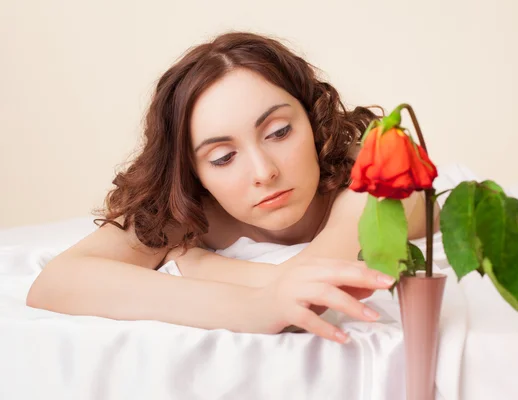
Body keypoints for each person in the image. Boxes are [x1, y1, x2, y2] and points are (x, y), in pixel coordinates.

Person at [26, 31, 437, 344]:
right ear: (193, 172)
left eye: (278, 132)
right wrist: (252, 307)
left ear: (312, 119)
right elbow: (58, 282)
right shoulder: (193, 208)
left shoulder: (371, 176)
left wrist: (203, 266)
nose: (264, 171)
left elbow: (311, 292)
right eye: (222, 157)